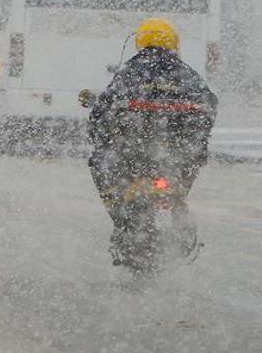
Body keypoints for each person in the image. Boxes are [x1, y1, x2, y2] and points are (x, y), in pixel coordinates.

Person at [87, 17, 218, 262]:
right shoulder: (185, 72)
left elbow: (104, 109)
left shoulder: (131, 71)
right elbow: (209, 104)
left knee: (101, 167)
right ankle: (179, 214)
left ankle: (124, 224)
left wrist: (103, 134)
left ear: (140, 41)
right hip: (179, 153)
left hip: (134, 153)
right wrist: (194, 139)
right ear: (174, 43)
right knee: (182, 181)